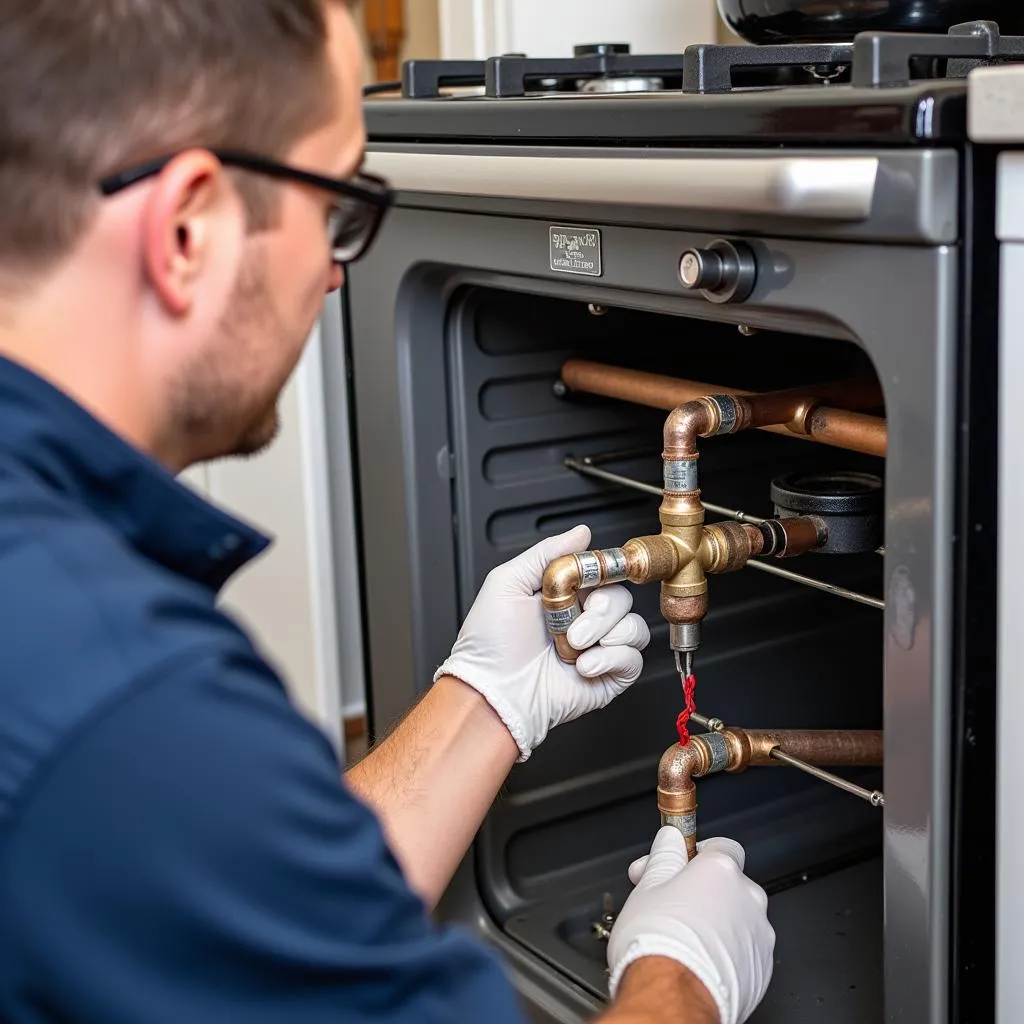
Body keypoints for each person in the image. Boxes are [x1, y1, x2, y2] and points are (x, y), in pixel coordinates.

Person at [0, 2, 775, 1023]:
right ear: (186, 227)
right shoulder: (124, 698)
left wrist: (487, 701)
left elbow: (236, 899)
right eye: (335, 205)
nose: (334, 269)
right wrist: (682, 977)